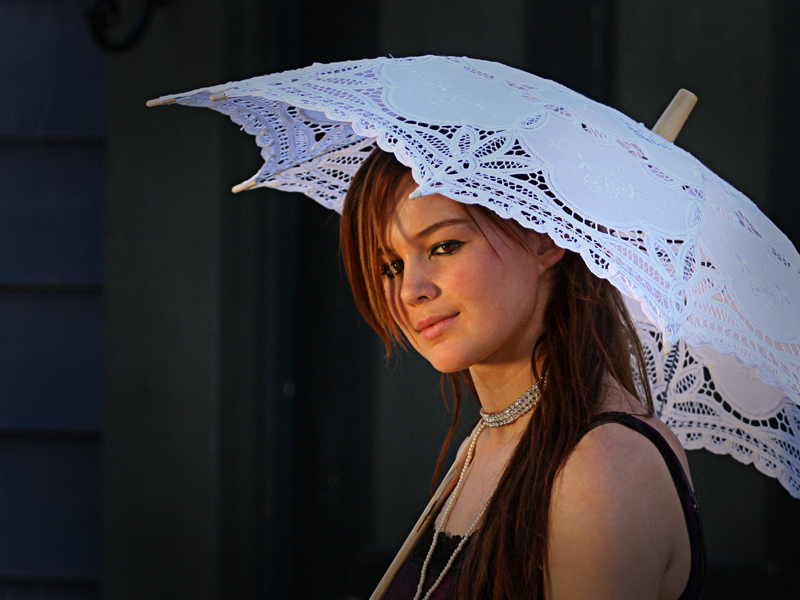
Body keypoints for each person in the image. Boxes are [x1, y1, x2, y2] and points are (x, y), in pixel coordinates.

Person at [340, 147, 705, 600]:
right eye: (390, 267)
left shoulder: (600, 466)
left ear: (545, 239)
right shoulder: (484, 442)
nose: (412, 290)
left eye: (444, 246)